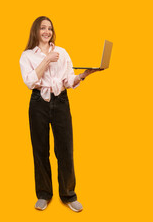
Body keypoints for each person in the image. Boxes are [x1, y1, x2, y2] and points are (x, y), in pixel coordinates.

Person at [19, 16, 102, 212]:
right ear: (35, 32)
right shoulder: (27, 55)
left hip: (61, 101)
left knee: (65, 150)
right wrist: (47, 59)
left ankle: (68, 194)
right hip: (38, 101)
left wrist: (83, 76)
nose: (47, 31)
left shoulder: (62, 52)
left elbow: (68, 79)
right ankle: (43, 194)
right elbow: (30, 81)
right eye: (42, 28)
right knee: (40, 151)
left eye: (49, 28)